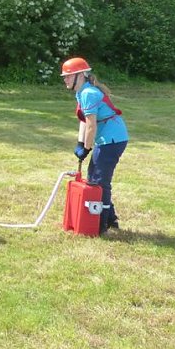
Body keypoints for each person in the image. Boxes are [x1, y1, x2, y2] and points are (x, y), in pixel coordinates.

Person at [61, 57, 129, 234]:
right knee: (95, 177)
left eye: (69, 76)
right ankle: (111, 219)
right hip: (107, 139)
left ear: (81, 76)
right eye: (65, 77)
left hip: (112, 140)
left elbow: (92, 125)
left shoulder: (88, 93)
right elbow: (84, 121)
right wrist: (80, 143)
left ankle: (102, 222)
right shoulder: (81, 92)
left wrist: (87, 147)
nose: (65, 79)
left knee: (99, 181)